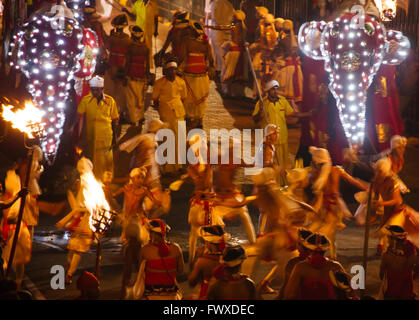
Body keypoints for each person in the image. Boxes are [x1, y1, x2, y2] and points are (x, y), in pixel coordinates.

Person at [307, 147, 367, 259]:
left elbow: (352, 180)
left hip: (333, 207)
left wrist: (365, 187)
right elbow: (352, 180)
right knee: (321, 231)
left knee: (324, 232)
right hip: (322, 205)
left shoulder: (331, 171)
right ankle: (330, 255)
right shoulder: (317, 174)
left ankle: (320, 256)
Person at [252, 80, 311, 183]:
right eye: (272, 90)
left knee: (283, 163)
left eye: (276, 89)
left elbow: (292, 114)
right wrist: (261, 110)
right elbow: (255, 120)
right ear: (268, 91)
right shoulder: (262, 103)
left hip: (282, 137)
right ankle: (272, 185)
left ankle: (283, 184)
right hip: (269, 140)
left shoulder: (282, 101)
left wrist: (308, 114)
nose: (275, 91)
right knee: (271, 164)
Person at [55, 158, 95, 285]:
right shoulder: (79, 186)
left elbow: (90, 207)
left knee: (77, 250)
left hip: (86, 223)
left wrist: (74, 214)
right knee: (73, 249)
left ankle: (69, 273)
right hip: (78, 221)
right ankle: (68, 269)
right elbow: (76, 207)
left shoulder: (91, 186)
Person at [372, 157, 419, 255]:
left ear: (384, 171)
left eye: (380, 171)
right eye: (377, 171)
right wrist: (373, 209)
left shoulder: (392, 181)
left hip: (398, 211)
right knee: (384, 230)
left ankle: (403, 252)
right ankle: (384, 249)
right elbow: (376, 196)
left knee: (392, 231)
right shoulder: (376, 181)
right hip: (387, 211)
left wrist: (381, 203)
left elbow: (396, 200)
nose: (378, 173)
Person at [76, 76, 120, 179]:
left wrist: (115, 137)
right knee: (93, 160)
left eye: (97, 90)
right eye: (92, 90)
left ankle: (107, 182)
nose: (94, 92)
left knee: (107, 160)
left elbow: (114, 121)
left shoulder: (110, 101)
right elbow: (78, 115)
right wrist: (71, 127)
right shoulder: (86, 100)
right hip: (92, 137)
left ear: (102, 89)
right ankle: (95, 181)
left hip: (106, 136)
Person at [283, 232, 348, 300]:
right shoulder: (335, 266)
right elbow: (345, 293)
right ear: (325, 250)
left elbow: (290, 295)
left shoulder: (300, 267)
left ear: (308, 249)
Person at [133, 219, 184, 300]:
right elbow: (180, 270)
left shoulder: (145, 250)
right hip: (171, 294)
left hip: (151, 295)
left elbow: (141, 270)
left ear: (151, 233)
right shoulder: (176, 248)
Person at [152, 61, 187, 174]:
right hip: (166, 114)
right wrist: (163, 110)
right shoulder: (159, 83)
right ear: (165, 71)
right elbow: (155, 99)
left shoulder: (181, 82)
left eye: (174, 69)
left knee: (180, 139)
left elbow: (183, 97)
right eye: (170, 69)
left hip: (179, 113)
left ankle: (179, 165)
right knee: (168, 140)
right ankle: (168, 168)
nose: (173, 72)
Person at [180, 21, 215, 130]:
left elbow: (182, 58)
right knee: (200, 99)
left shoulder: (187, 43)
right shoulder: (206, 44)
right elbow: (211, 61)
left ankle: (189, 118)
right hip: (202, 76)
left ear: (192, 32)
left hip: (190, 75)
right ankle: (199, 120)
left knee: (188, 99)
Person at [207, 10, 248, 98]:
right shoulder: (244, 27)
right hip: (241, 51)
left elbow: (222, 28)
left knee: (229, 72)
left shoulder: (235, 26)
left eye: (233, 16)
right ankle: (237, 93)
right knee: (238, 74)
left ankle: (228, 92)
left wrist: (209, 26)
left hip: (234, 51)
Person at [104, 14, 130, 121]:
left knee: (114, 92)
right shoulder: (127, 39)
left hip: (115, 66)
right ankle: (117, 112)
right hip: (118, 66)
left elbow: (107, 47)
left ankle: (114, 112)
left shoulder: (115, 38)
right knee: (118, 92)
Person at [379, 225, 417, 300]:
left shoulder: (387, 256)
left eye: (388, 237)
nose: (387, 239)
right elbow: (413, 269)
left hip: (392, 293)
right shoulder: (411, 250)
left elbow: (381, 275)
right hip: (407, 292)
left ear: (394, 240)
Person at [188, 225, 225, 299]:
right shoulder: (230, 254)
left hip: (207, 295)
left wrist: (197, 263)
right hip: (226, 293)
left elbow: (192, 282)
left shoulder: (203, 261)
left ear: (208, 241)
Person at [124, 25, 152, 127]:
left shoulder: (130, 47)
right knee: (140, 98)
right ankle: (140, 117)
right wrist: (147, 76)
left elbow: (127, 62)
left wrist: (124, 75)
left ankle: (133, 119)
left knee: (131, 99)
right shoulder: (145, 48)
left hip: (131, 75)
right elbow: (147, 65)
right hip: (141, 76)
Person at [277, 228, 313, 299]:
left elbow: (286, 287)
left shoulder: (293, 263)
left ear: (300, 244)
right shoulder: (330, 265)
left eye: (297, 242)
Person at [207, 0, 234, 80]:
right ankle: (224, 71)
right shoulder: (228, 3)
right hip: (227, 29)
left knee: (218, 52)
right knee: (224, 52)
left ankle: (220, 71)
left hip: (217, 31)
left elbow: (215, 17)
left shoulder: (215, 4)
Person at [129, 0, 158, 69]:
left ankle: (148, 66)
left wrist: (156, 30)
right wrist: (126, 11)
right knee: (136, 47)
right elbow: (133, 16)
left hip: (148, 31)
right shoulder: (137, 4)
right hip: (138, 31)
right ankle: (136, 65)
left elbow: (156, 18)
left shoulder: (153, 5)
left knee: (148, 49)